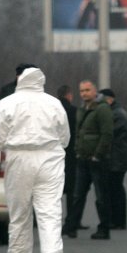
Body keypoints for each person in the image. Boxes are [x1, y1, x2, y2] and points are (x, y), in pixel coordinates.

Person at [0, 67, 69, 253]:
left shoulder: (7, 103)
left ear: (20, 81)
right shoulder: (54, 103)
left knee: (20, 215)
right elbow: (65, 137)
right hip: (50, 158)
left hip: (19, 158)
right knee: (50, 212)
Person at [62, 80, 113, 240]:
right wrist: (78, 151)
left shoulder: (103, 109)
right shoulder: (82, 109)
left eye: (87, 90)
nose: (84, 93)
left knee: (101, 197)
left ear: (94, 91)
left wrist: (97, 155)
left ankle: (104, 228)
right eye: (81, 91)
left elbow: (107, 134)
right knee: (77, 195)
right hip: (82, 159)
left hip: (97, 160)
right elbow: (79, 133)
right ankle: (71, 226)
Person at [100, 88, 127, 230]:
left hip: (117, 159)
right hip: (116, 158)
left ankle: (118, 221)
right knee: (114, 189)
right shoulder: (116, 113)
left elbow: (109, 133)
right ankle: (117, 220)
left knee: (115, 189)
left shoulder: (118, 115)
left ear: (110, 99)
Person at [56, 84, 79, 225]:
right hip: (71, 154)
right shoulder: (74, 111)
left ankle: (52, 221)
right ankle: (71, 220)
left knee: (53, 190)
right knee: (71, 190)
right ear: (69, 95)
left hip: (53, 154)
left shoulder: (52, 110)